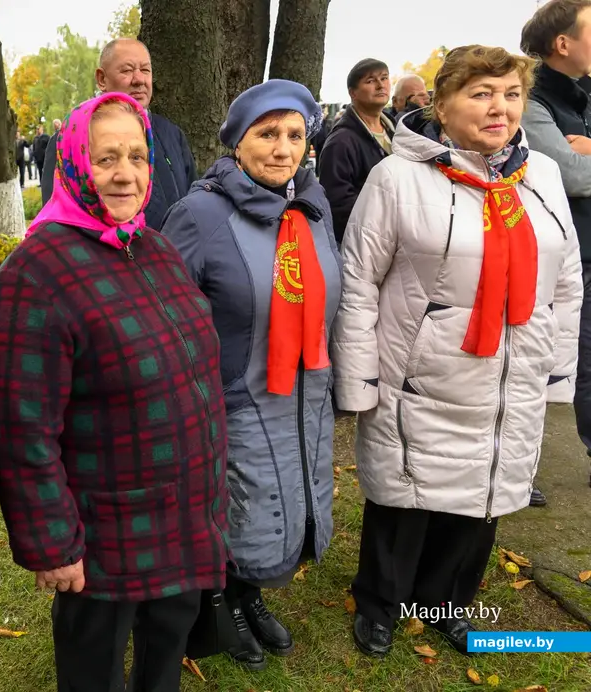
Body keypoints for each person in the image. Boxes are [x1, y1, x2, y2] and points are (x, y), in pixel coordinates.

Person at [332, 45, 582, 659]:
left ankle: (445, 603)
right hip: (421, 373)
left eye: (511, 94)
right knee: (406, 494)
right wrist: (359, 379)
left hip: (510, 373)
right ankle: (381, 603)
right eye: (481, 93)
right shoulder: (398, 176)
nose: (500, 107)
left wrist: (556, 368)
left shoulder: (541, 176)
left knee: (483, 493)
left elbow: (568, 279)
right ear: (442, 106)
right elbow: (359, 278)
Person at [0, 92, 228, 692]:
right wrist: (51, 543)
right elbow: (20, 429)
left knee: (168, 639)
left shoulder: (153, 247)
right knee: (95, 662)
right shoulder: (34, 275)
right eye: (106, 158)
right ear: (71, 164)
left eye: (139, 157)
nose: (126, 174)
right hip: (104, 531)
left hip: (184, 508)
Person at [163, 80, 340, 672]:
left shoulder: (312, 207)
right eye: (267, 134)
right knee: (238, 508)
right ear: (238, 143)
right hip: (235, 397)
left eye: (295, 135)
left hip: (303, 394)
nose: (283, 148)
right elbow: (166, 314)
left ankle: (251, 594)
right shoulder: (200, 214)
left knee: (283, 503)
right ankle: (225, 604)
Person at [521, 0, 591, 495]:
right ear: (563, 44)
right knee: (559, 361)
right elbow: (569, 174)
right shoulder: (532, 100)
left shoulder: (580, 96)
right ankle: (518, 468)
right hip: (558, 256)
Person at [41, 38, 197, 231]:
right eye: (127, 70)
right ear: (102, 79)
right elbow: (58, 214)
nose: (139, 79)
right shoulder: (72, 138)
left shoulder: (171, 134)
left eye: (145, 70)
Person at [318, 58, 395, 243]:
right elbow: (338, 203)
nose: (380, 85)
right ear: (353, 93)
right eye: (370, 81)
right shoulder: (341, 142)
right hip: (366, 243)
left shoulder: (397, 132)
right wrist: (383, 227)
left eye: (384, 78)